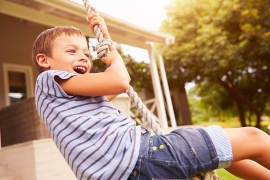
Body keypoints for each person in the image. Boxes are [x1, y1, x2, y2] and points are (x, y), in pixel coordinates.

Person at [32, 7, 270, 180]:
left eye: (86, 51)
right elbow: (120, 81)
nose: (83, 56)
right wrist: (113, 56)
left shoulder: (69, 103)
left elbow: (111, 88)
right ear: (44, 60)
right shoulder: (49, 79)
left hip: (126, 171)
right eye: (71, 51)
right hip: (140, 159)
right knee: (254, 138)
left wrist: (106, 39)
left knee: (229, 155)